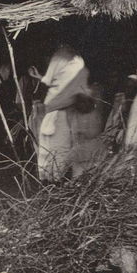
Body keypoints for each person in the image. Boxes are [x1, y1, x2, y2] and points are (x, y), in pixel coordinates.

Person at [32, 42, 90, 181]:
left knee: (60, 153)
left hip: (64, 118)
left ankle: (58, 184)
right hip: (53, 117)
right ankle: (50, 183)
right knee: (48, 152)